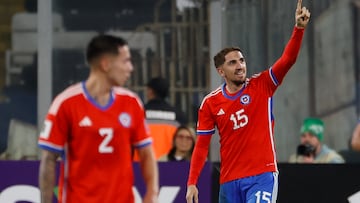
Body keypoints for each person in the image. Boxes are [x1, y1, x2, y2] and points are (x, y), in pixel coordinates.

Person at [186, 0, 310, 202]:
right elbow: (201, 146)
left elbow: (287, 60)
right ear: (221, 71)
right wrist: (192, 182)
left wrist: (299, 29)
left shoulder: (262, 85)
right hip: (229, 182)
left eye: (242, 61)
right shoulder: (210, 103)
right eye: (232, 62)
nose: (240, 66)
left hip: (262, 175)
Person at [38, 35, 159, 203]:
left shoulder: (132, 103)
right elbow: (49, 159)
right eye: (125, 61)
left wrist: (152, 194)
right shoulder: (65, 103)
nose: (130, 68)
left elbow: (146, 153)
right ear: (106, 64)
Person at [144, 77, 187, 159]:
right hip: (170, 165)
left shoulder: (138, 113)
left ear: (150, 91)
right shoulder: (178, 115)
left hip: (142, 166)